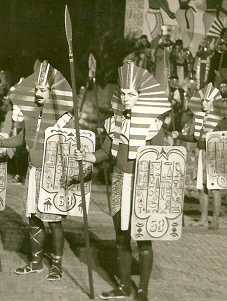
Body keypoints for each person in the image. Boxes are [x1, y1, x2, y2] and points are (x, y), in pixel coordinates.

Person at [73, 61, 171, 300]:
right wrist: (87, 156)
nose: (127, 98)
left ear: (140, 96)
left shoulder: (153, 127)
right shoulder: (115, 122)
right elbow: (106, 153)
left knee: (144, 239)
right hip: (120, 182)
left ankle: (143, 291)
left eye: (132, 94)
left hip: (142, 186)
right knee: (121, 236)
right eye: (124, 93)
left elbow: (159, 162)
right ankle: (124, 285)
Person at [0, 60, 74, 281]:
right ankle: (35, 262)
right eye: (37, 89)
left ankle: (56, 265)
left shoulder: (64, 118)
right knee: (34, 218)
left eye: (43, 90)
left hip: (53, 173)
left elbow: (72, 145)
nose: (39, 93)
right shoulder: (33, 114)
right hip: (33, 172)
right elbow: (21, 138)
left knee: (53, 220)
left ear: (52, 92)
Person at [172, 82, 227, 230]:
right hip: (201, 153)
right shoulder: (199, 118)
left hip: (216, 155)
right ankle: (203, 218)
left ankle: (214, 219)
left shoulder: (222, 119)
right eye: (203, 100)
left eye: (207, 100)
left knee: (215, 188)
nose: (204, 103)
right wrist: (180, 136)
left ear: (214, 102)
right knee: (201, 188)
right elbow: (195, 138)